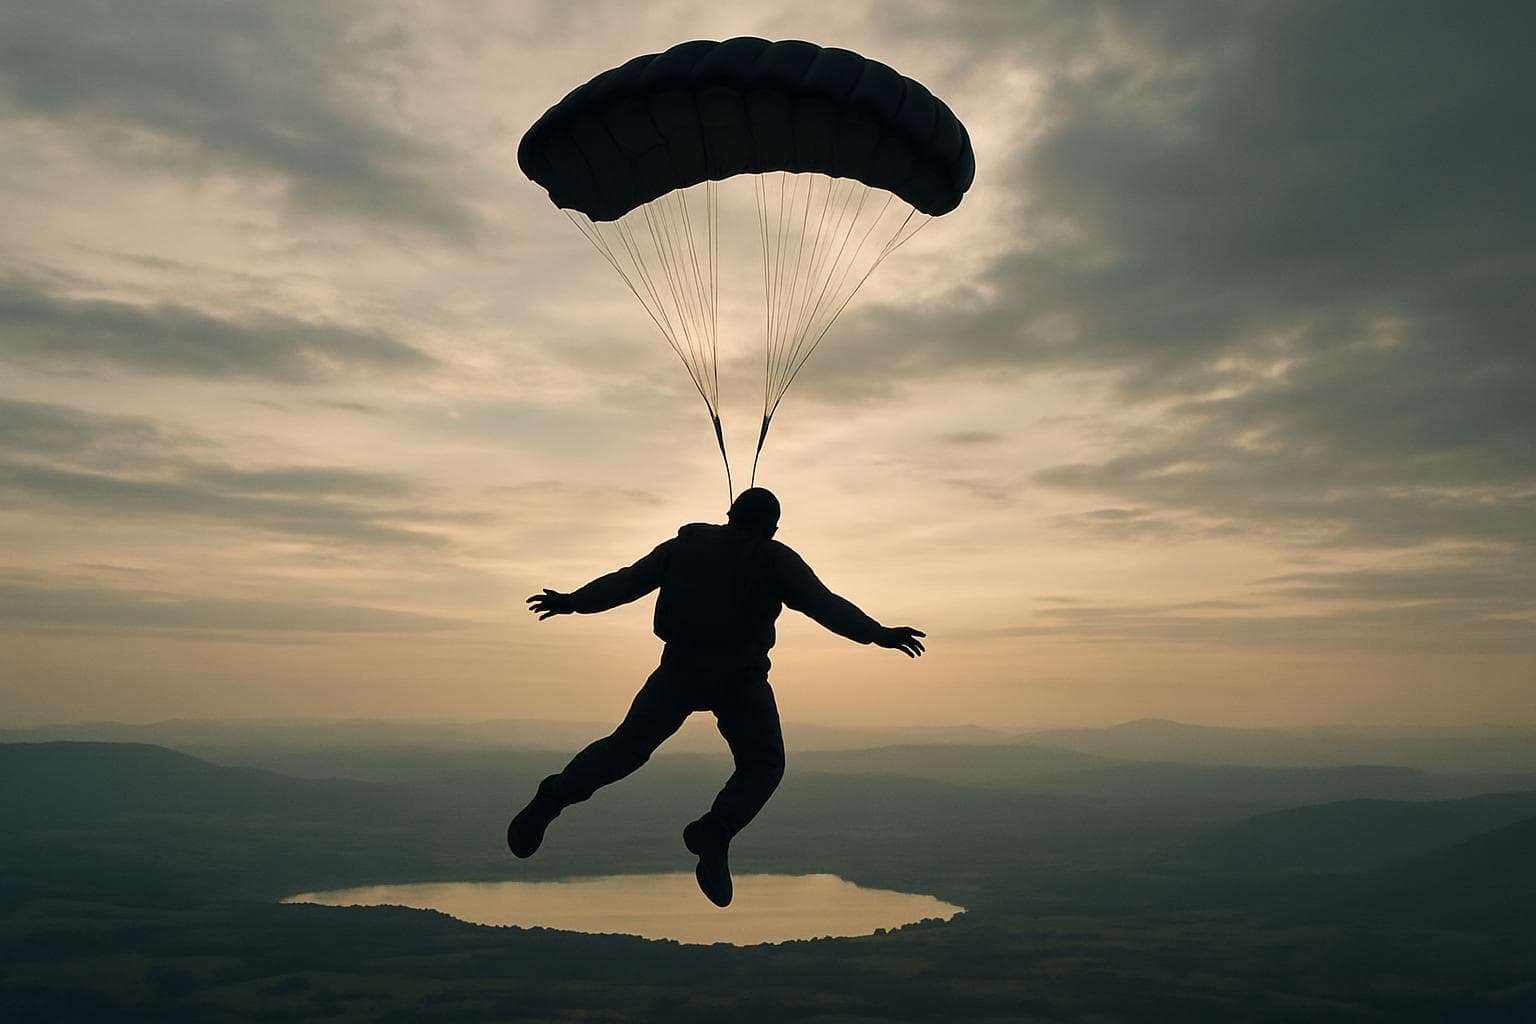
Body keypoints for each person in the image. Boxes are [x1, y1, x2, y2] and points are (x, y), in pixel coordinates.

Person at [508, 487, 925, 907]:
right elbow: (826, 606)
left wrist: (572, 602)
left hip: (681, 672)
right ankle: (714, 833)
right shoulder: (772, 557)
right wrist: (879, 635)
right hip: (738, 680)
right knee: (763, 764)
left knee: (625, 749)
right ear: (773, 528)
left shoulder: (685, 547)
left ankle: (553, 798)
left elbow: (627, 582)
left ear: (729, 514)